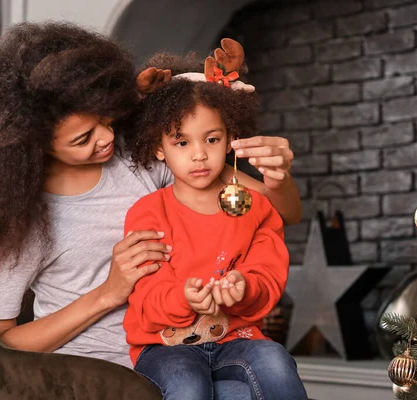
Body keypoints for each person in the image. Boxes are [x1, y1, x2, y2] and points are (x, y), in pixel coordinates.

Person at [0, 22, 301, 399]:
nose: (107, 138)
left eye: (106, 120)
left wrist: (279, 176)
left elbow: (277, 212)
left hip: (190, 352)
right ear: (30, 143)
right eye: (83, 138)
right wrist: (109, 293)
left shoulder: (135, 161)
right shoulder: (11, 220)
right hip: (95, 379)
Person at [121, 40, 308, 400]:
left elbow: (267, 274)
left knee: (275, 361)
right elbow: (145, 295)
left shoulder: (254, 205)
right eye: (181, 143)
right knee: (188, 387)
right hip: (164, 347)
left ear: (230, 139)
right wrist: (183, 297)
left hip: (237, 338)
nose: (199, 155)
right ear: (159, 147)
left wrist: (246, 288)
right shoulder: (147, 212)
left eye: (211, 138)